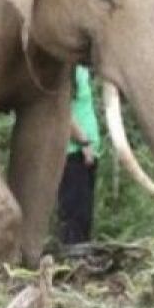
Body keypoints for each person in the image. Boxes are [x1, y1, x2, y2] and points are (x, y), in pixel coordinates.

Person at [57, 65, 101, 245]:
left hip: (86, 154)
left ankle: (82, 258)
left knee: (84, 214)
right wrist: (83, 141)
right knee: (74, 214)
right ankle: (73, 259)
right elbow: (61, 110)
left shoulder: (81, 69)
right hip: (73, 153)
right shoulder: (65, 70)